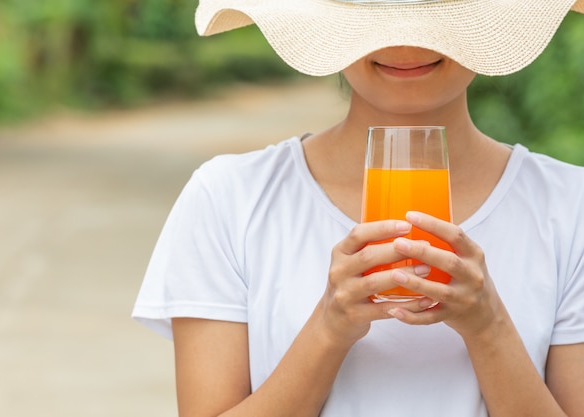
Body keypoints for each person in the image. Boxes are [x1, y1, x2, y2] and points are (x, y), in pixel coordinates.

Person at [132, 0, 584, 416]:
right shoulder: (229, 197)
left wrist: (489, 327)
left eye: (436, 16)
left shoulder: (570, 207)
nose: (405, 45)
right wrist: (329, 329)